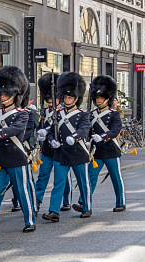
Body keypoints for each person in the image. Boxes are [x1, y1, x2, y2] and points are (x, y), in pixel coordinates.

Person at [0, 66, 36, 232]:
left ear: (15, 95)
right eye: (0, 94)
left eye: (5, 94)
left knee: (22, 190)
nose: (2, 96)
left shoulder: (22, 113)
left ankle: (30, 221)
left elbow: (15, 129)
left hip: (16, 156)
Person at [42, 72, 91, 222]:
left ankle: (86, 207)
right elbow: (51, 131)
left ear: (76, 98)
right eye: (65, 97)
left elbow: (84, 129)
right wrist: (51, 140)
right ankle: (54, 211)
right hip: (61, 152)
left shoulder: (83, 114)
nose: (67, 99)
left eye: (70, 97)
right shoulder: (57, 114)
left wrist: (74, 137)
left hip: (77, 151)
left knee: (83, 182)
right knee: (58, 183)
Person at [74, 75, 125, 213]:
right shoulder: (91, 114)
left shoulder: (114, 114)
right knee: (90, 177)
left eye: (101, 98)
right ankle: (83, 202)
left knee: (115, 177)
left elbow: (115, 131)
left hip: (111, 149)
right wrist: (87, 141)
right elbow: (87, 130)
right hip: (96, 151)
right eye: (96, 98)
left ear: (107, 98)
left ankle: (121, 202)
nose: (98, 100)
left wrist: (102, 136)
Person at [35, 73, 72, 214]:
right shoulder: (44, 112)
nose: (50, 100)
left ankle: (66, 200)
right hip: (47, 149)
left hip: (61, 149)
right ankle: (37, 202)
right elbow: (39, 127)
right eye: (48, 98)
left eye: (52, 98)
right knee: (42, 175)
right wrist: (40, 133)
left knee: (62, 178)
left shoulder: (65, 112)